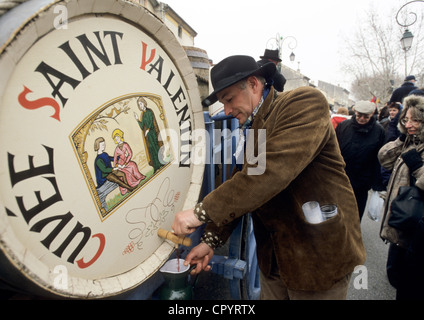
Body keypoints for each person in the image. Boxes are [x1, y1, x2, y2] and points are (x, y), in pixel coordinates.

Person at [172, 55, 366, 300]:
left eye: (230, 100)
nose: (228, 111)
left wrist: (199, 212)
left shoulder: (305, 102)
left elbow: (269, 174)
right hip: (274, 260)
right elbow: (244, 185)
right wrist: (210, 240)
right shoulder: (256, 128)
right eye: (223, 103)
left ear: (254, 84)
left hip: (317, 258)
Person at [378, 94, 424, 300]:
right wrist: (401, 138)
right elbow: (384, 159)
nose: (409, 124)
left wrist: (418, 167)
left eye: (415, 120)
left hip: (417, 227)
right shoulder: (409, 142)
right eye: (406, 120)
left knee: (410, 283)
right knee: (396, 275)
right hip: (401, 222)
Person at [335, 101, 386, 220]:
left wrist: (377, 183)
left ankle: (354, 234)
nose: (362, 119)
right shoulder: (344, 126)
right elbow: (335, 150)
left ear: (371, 115)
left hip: (363, 179)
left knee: (356, 212)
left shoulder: (379, 131)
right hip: (343, 177)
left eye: (366, 117)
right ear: (355, 113)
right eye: (359, 115)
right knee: (340, 210)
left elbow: (379, 158)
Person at [134, 97, 164, 173]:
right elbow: (142, 126)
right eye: (139, 105)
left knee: (156, 148)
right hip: (148, 136)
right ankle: (156, 167)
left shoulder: (149, 111)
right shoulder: (143, 115)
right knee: (151, 151)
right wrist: (137, 119)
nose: (140, 105)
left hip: (153, 133)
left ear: (144, 103)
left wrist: (148, 130)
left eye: (141, 103)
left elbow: (151, 122)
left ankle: (161, 163)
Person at [112, 129, 145, 194]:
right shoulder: (117, 149)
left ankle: (139, 177)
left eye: (118, 137)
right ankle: (129, 186)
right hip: (120, 165)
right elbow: (115, 159)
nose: (117, 139)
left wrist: (126, 162)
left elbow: (130, 154)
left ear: (120, 136)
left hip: (126, 162)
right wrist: (117, 165)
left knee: (133, 165)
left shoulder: (125, 145)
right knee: (126, 172)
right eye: (116, 138)